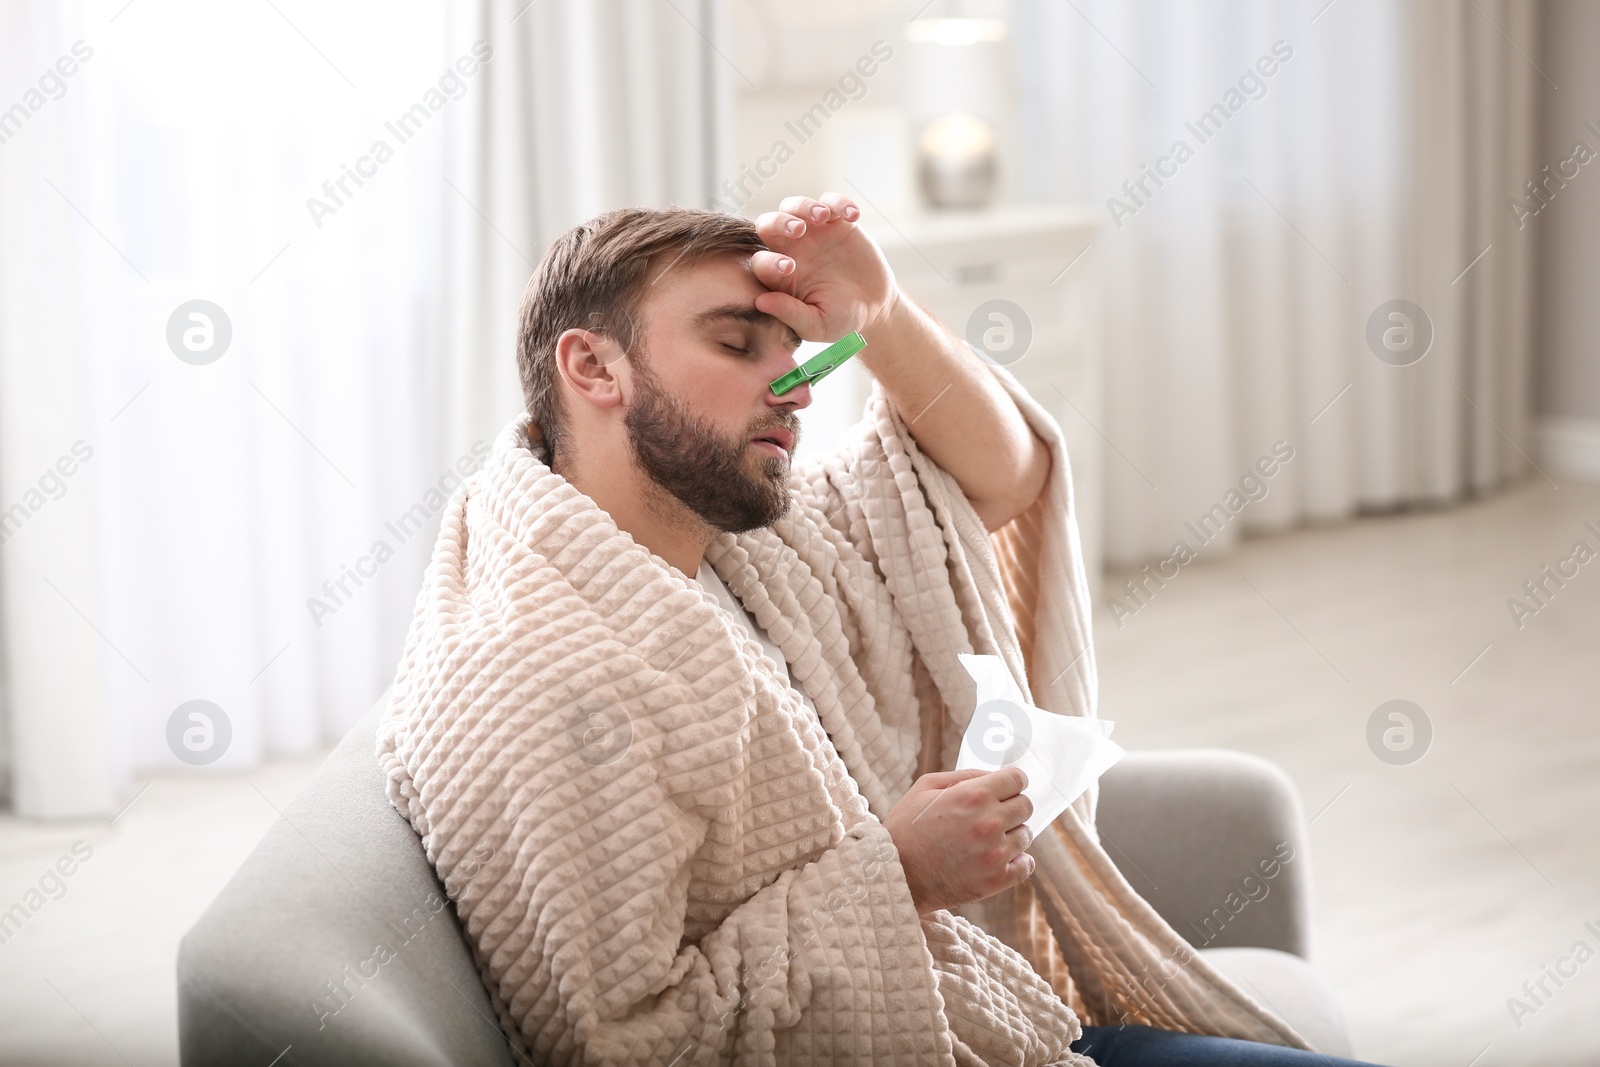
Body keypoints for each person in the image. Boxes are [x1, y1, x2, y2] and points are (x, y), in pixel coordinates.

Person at [377, 193, 1382, 1065]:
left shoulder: (728, 547)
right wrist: (893, 871)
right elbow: (630, 1043)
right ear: (593, 367)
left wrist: (882, 312)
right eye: (736, 343)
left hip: (1000, 1027)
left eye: (801, 354)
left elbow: (1001, 475)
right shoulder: (538, 669)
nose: (796, 387)